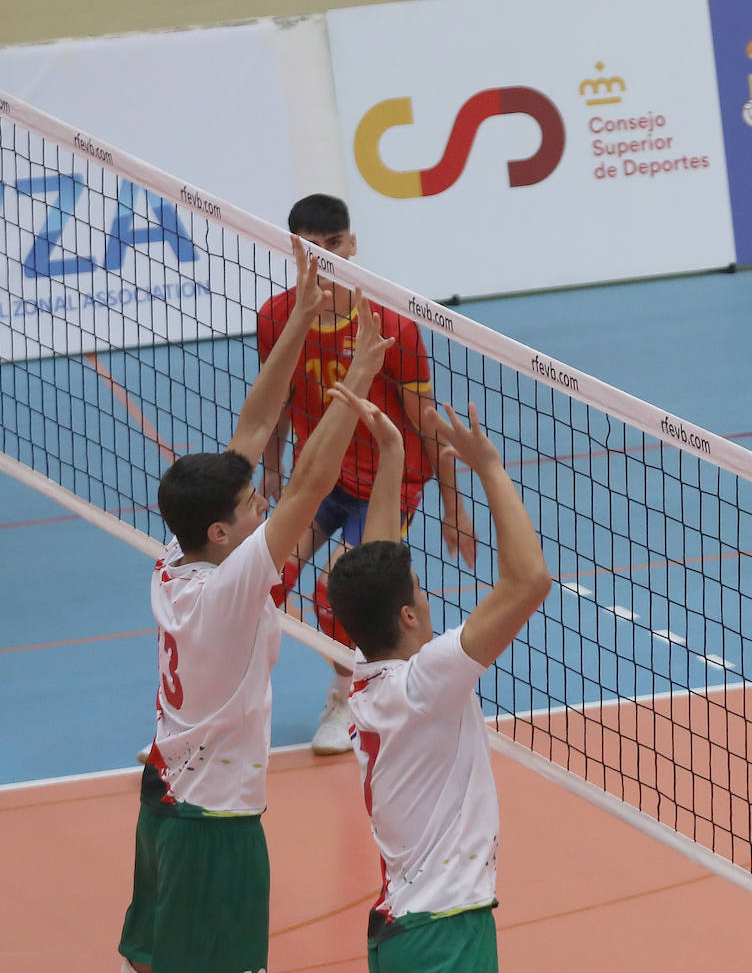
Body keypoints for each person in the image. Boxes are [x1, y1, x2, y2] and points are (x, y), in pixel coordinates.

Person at [118, 241, 393, 973]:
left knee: (150, 957)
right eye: (249, 507)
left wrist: (299, 321)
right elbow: (308, 483)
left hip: (168, 794)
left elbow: (252, 432)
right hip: (213, 820)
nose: (260, 503)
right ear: (221, 530)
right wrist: (359, 376)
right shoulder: (232, 590)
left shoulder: (177, 559)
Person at [324, 389, 551, 973]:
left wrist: (393, 452)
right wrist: (490, 469)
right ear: (406, 615)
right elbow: (528, 581)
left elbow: (375, 557)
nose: (425, 601)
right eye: (419, 593)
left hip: (407, 926)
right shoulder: (426, 681)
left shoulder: (365, 671)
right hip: (443, 935)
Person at [256, 194, 476, 755]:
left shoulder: (393, 325)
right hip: (319, 476)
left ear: (352, 245)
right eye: (312, 247)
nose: (325, 258)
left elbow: (427, 423)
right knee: (263, 578)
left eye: (334, 245)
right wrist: (272, 473)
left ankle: (344, 697)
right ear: (295, 248)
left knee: (337, 593)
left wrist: (454, 506)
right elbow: (277, 397)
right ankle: (238, 703)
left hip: (386, 485)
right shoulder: (277, 317)